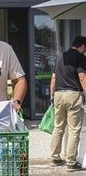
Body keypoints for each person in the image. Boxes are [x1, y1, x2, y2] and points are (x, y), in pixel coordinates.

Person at [50, 36, 86, 172]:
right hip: (73, 95)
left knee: (58, 127)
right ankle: (71, 162)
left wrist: (52, 96)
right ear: (82, 46)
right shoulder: (81, 58)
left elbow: (53, 78)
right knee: (73, 130)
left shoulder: (60, 57)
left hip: (58, 94)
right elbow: (82, 77)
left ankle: (55, 158)